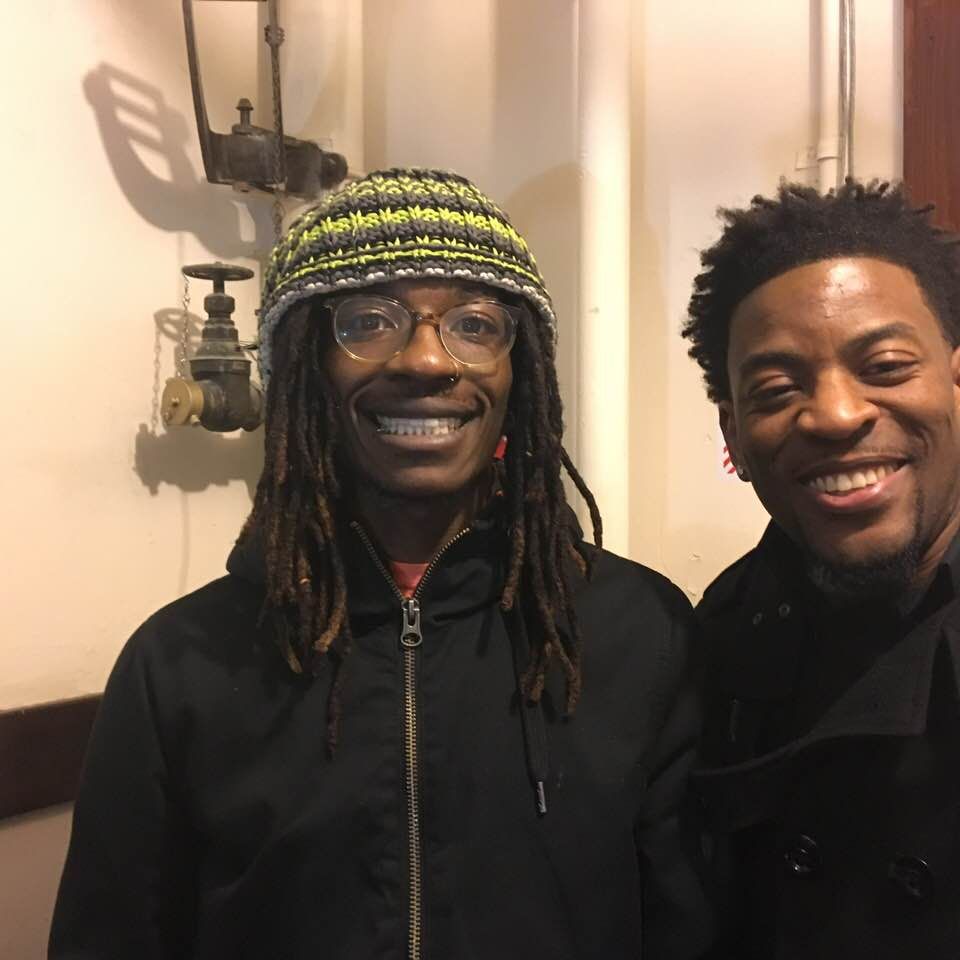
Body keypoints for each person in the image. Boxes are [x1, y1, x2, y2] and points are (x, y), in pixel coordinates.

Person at [51, 168, 712, 959]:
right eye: (368, 320)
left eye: (475, 324)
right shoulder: (181, 663)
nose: (427, 361)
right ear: (302, 368)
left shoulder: (639, 631)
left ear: (520, 371)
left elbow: (685, 931)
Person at [682, 180, 960, 958]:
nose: (837, 415)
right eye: (777, 389)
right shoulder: (713, 639)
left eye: (886, 366)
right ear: (735, 437)